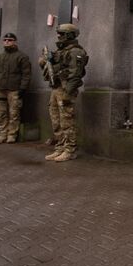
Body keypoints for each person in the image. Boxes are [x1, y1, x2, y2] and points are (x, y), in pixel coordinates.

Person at [39, 23, 88, 162]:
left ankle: (70, 150)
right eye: (58, 33)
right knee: (56, 120)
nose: (58, 36)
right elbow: (52, 66)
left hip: (66, 88)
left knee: (66, 121)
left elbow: (75, 74)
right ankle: (60, 147)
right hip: (56, 87)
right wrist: (45, 61)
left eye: (61, 34)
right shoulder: (61, 51)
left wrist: (68, 92)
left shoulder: (76, 52)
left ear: (69, 35)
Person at [0, 32, 31, 144]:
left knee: (14, 113)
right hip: (0, 88)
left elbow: (26, 74)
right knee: (0, 113)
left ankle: (12, 135)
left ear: (15, 42)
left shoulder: (22, 57)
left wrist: (23, 88)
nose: (7, 42)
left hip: (14, 89)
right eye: (5, 40)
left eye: (10, 40)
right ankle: (2, 135)